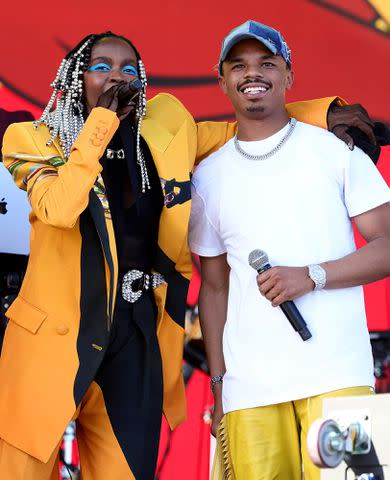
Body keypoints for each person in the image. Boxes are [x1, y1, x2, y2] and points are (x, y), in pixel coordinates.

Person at [0, 31, 379, 480]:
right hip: (52, 345)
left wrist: (323, 112)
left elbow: (246, 122)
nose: (117, 77)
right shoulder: (31, 138)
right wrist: (99, 126)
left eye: (128, 68)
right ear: (74, 77)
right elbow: (59, 208)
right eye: (101, 67)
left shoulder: (166, 129)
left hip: (134, 339)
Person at [188, 20, 390, 480]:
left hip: (341, 377)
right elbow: (214, 289)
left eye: (266, 63)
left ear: (288, 75)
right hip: (249, 392)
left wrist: (312, 275)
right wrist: (220, 389)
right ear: (222, 81)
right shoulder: (207, 177)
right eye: (238, 66)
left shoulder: (337, 152)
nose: (251, 74)